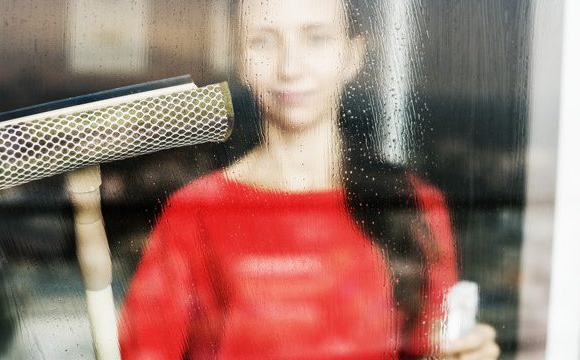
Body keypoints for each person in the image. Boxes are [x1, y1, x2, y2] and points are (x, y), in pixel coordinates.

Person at [119, 0, 500, 358]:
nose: (290, 67)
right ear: (240, 60)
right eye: (263, 41)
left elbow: (433, 344)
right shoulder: (196, 213)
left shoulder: (413, 202)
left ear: (352, 56)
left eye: (315, 38)